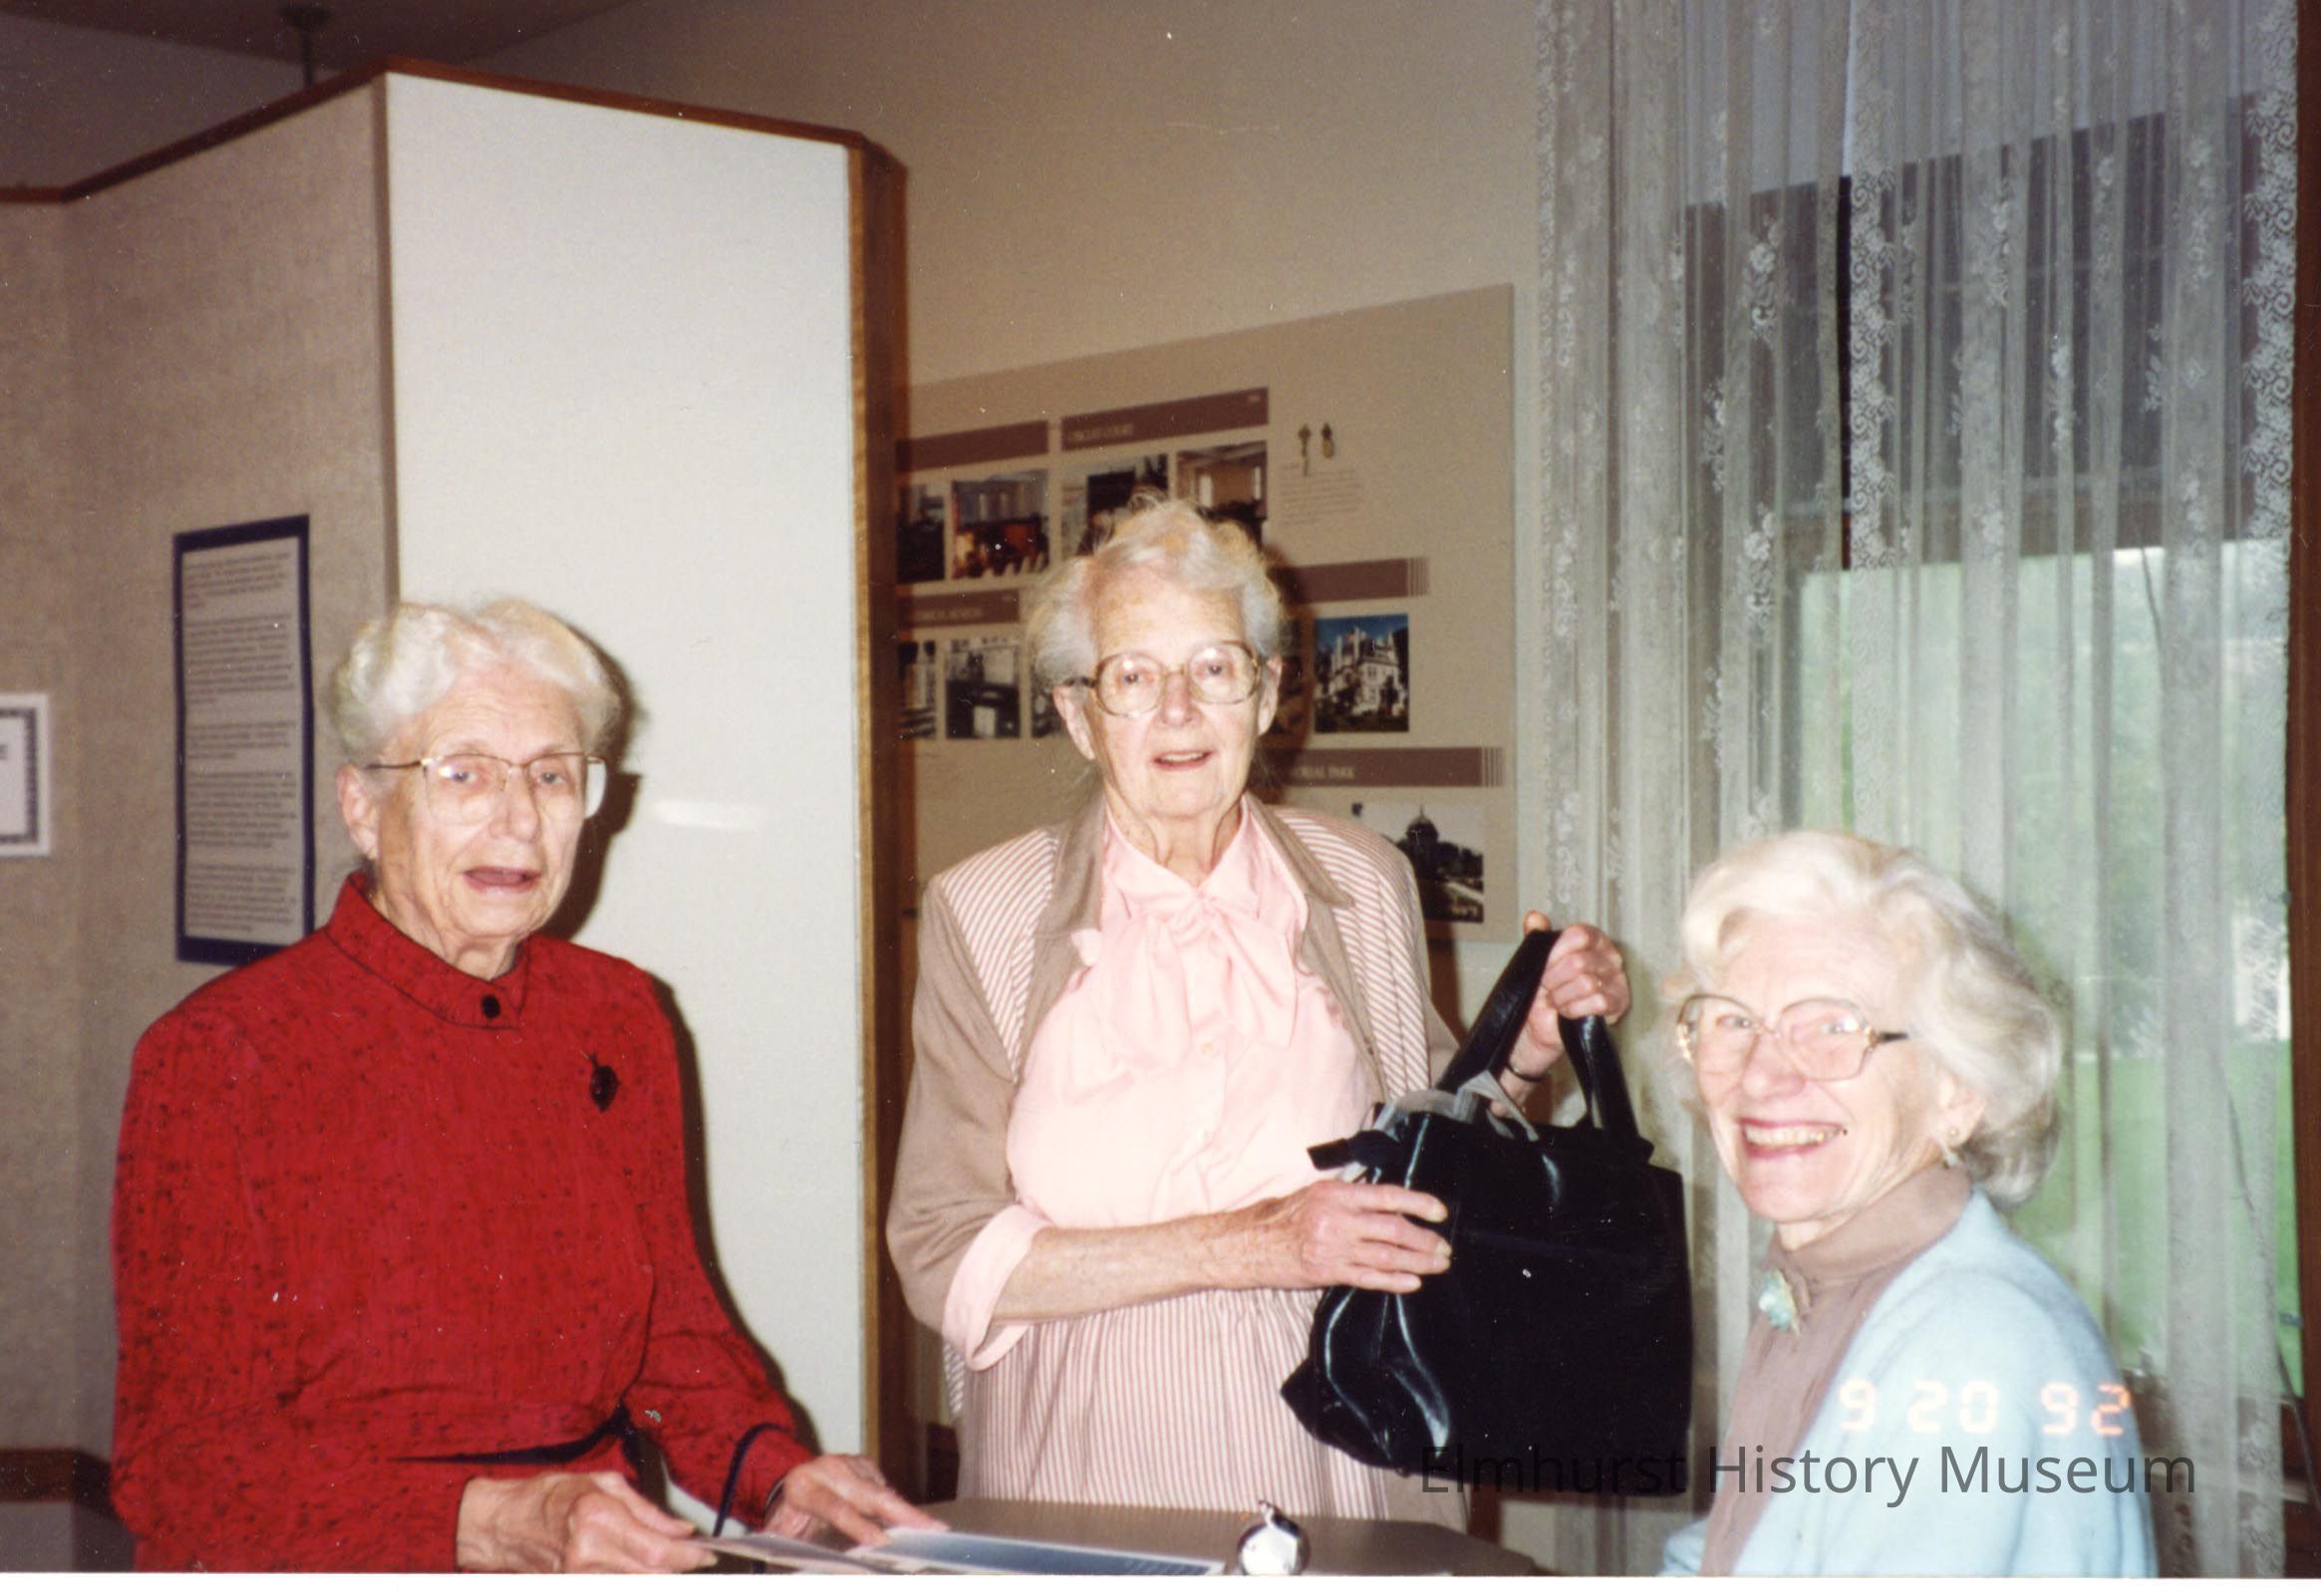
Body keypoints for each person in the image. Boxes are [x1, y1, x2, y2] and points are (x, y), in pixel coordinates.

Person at [112, 599, 935, 1572]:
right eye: (463, 773)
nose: (517, 820)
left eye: (551, 776)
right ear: (362, 806)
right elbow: (181, 1466)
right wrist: (488, 1521)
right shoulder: (223, 1055)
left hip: (592, 1558)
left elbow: (672, 1333)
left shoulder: (616, 1014)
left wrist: (777, 1472)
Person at [886, 497, 1629, 1521]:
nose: (1178, 712)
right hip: (1079, 1450)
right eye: (1132, 678)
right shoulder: (987, 909)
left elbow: (1431, 1146)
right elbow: (940, 1249)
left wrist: (1528, 1044)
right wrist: (1250, 1245)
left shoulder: (1360, 879)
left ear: (1268, 691)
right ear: (1078, 715)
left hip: (1338, 1442)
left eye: (1214, 669)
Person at [1656, 831, 2156, 1575]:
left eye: (1832, 1027)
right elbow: (1741, 1547)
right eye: (1733, 1021)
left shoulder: (1967, 1344)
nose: (1759, 1076)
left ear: (1959, 1089)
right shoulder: (1830, 1280)